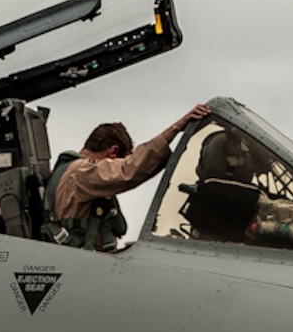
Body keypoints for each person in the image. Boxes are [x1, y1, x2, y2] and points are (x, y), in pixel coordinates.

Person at [45, 103, 213, 250]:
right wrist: (176, 128)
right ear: (113, 152)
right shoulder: (82, 173)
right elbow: (130, 169)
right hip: (83, 265)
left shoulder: (68, 171)